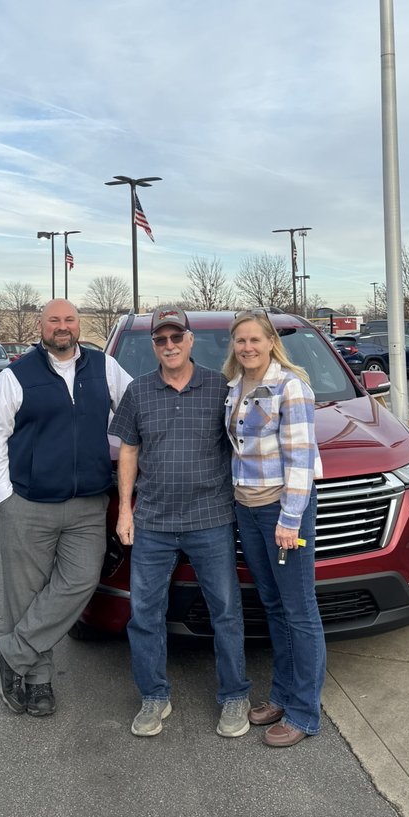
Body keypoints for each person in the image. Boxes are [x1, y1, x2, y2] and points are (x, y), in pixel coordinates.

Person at [0, 299, 131, 717]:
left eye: (69, 320)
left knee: (81, 582)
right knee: (25, 595)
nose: (62, 327)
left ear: (79, 325)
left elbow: (138, 410)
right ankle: (38, 681)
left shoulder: (105, 368)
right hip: (28, 504)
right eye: (54, 321)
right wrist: (5, 497)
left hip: (87, 506)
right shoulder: (16, 376)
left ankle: (10, 652)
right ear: (41, 326)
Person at [110, 307, 251, 738]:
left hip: (210, 520)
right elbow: (129, 451)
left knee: (225, 611)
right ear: (153, 345)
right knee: (144, 613)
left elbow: (248, 439)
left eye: (176, 338)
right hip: (152, 520)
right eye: (161, 340)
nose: (169, 346)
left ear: (190, 341)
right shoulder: (138, 391)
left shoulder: (221, 389)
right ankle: (154, 695)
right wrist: (125, 510)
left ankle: (234, 696)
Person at [223, 309, 325, 747]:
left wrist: (289, 518)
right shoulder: (234, 388)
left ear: (270, 342)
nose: (247, 347)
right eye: (240, 341)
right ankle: (281, 695)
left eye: (254, 340)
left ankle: (305, 713)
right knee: (273, 604)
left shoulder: (291, 387)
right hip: (246, 509)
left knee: (300, 612)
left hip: (281, 511)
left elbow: (301, 458)